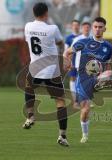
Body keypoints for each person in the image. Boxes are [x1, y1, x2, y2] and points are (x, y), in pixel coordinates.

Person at [23, 2, 69, 147]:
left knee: (28, 87)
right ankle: (62, 135)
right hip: (52, 70)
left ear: (33, 13)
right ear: (46, 13)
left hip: (35, 67)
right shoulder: (52, 28)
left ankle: (30, 117)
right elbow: (60, 42)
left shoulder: (28, 27)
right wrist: (62, 54)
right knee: (60, 101)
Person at [71, 17, 112, 143]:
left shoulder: (109, 47)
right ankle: (85, 134)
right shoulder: (82, 42)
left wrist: (107, 75)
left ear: (105, 29)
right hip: (83, 79)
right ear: (92, 28)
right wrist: (66, 61)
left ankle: (85, 134)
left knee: (87, 108)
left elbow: (107, 64)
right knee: (86, 110)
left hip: (96, 79)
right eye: (95, 27)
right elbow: (67, 52)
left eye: (100, 27)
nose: (97, 29)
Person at [64, 22, 91, 107]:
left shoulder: (92, 39)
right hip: (77, 64)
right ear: (82, 29)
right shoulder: (76, 39)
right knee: (76, 81)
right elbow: (69, 51)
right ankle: (76, 101)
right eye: (85, 27)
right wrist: (69, 62)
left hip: (89, 65)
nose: (86, 29)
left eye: (88, 27)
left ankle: (84, 101)